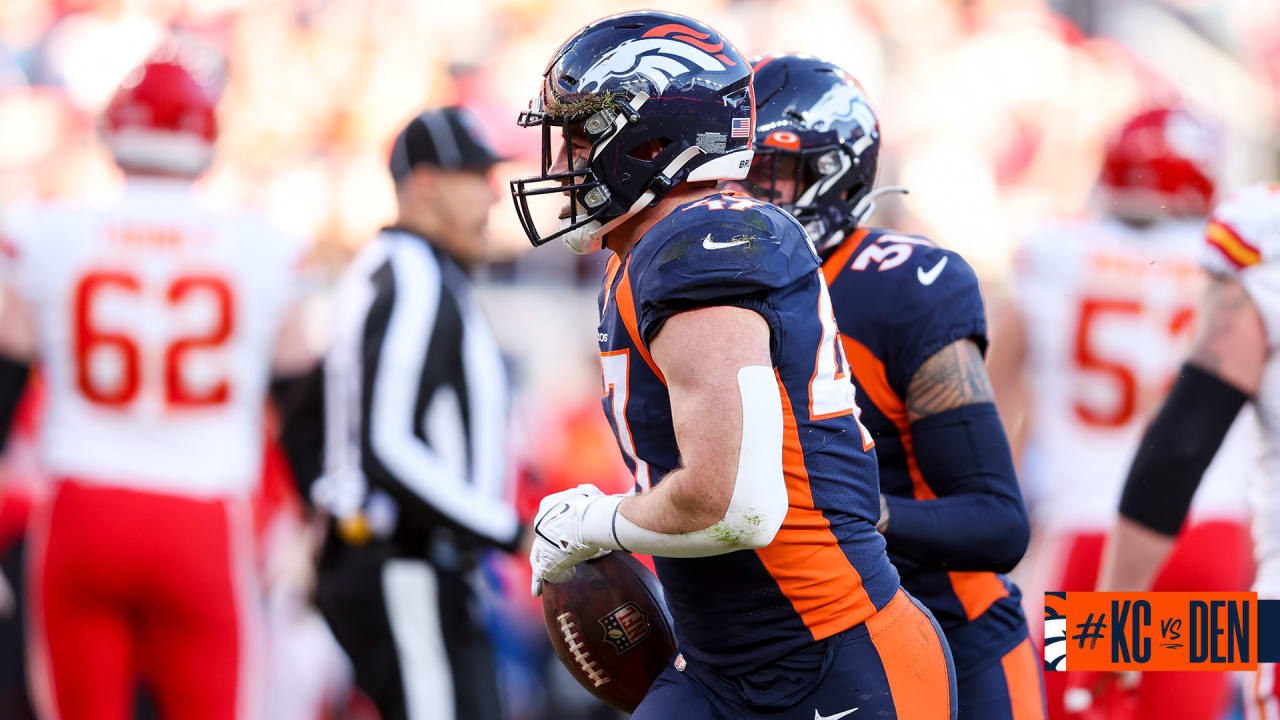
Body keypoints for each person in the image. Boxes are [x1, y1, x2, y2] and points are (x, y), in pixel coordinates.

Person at [514, 11, 956, 719]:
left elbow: (734, 506)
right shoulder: (647, 247)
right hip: (725, 665)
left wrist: (591, 522)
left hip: (834, 662)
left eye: (580, 139)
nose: (564, 165)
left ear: (652, 140)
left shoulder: (697, 246)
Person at [0, 56, 316, 720]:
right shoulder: (262, 243)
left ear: (114, 132)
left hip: (80, 506)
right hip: (200, 516)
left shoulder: (46, 231)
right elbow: (299, 399)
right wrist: (314, 517)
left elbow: (8, 362)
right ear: (205, 137)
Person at [729, 52, 1041, 719]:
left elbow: (998, 523)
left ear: (834, 177)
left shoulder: (901, 290)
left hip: (961, 623)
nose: (738, 199)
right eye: (728, 174)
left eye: (765, 174)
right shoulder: (697, 291)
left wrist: (849, 513)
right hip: (799, 641)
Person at [986, 106, 1257, 720]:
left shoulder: (1055, 251)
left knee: (1078, 707)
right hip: (1211, 533)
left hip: (1094, 533)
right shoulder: (1240, 265)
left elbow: (990, 402)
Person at [311, 106, 520, 720]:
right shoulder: (414, 276)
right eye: (475, 179)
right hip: (408, 561)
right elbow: (386, 442)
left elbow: (313, 413)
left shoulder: (402, 271)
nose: (491, 200)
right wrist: (508, 529)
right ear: (425, 185)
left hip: (408, 563)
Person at [1090, 182, 1278, 720]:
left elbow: (1183, 439)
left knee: (1063, 676)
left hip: (1110, 534)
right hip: (1222, 544)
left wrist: (1103, 634)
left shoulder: (1259, 234)